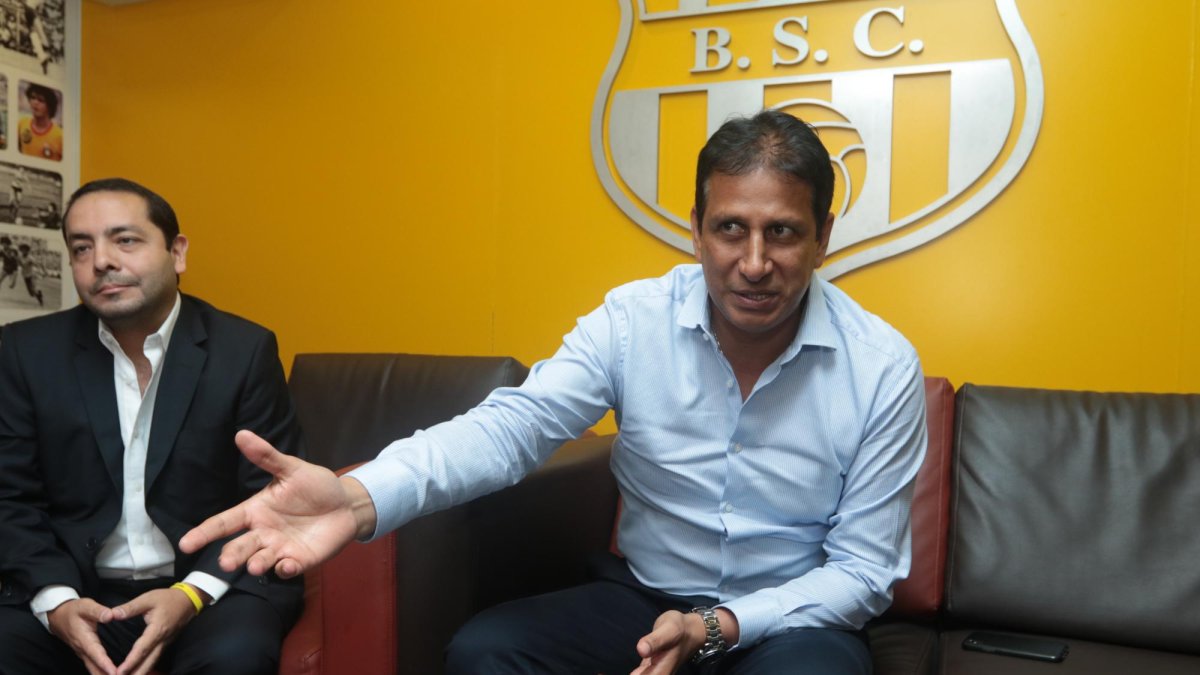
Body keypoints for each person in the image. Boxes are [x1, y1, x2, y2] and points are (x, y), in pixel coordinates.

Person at [183, 110, 928, 675]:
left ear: (823, 236)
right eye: (731, 228)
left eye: (784, 233)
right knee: (486, 652)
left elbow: (862, 572)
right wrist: (356, 496)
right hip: (643, 596)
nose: (754, 262)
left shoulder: (880, 365)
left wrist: (718, 626)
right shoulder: (633, 321)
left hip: (787, 619)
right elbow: (513, 427)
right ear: (696, 230)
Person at [0, 178, 304, 675]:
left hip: (208, 586)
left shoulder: (244, 351)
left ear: (177, 252)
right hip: (73, 585)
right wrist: (56, 601)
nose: (101, 261)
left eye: (125, 240)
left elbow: (268, 496)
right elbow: (9, 496)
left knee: (236, 656)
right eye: (82, 248)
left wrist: (190, 594)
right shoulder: (24, 352)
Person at [18, 82, 63, 161]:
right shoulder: (22, 123)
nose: (35, 102)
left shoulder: (60, 136)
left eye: (41, 100)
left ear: (50, 106)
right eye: (33, 97)